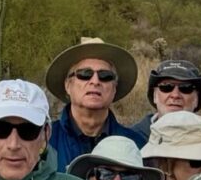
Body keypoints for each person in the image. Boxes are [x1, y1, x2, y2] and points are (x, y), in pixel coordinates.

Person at [45, 36, 145, 171]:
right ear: (68, 85)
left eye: (105, 76)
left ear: (114, 88)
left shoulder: (137, 145)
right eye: (85, 74)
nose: (95, 81)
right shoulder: (43, 141)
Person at [133, 60, 201, 141]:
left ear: (197, 99)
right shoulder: (131, 139)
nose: (175, 95)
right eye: (166, 86)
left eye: (186, 87)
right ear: (154, 95)